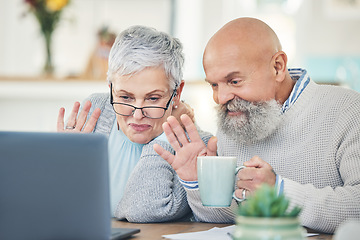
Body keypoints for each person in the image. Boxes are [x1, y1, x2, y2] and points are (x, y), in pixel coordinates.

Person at [154, 17, 360, 233]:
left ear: (278, 67)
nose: (221, 97)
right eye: (214, 84)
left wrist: (279, 193)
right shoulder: (235, 118)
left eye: (234, 81)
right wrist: (198, 185)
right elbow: (229, 217)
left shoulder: (349, 110)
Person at [57, 25, 212, 223]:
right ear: (110, 88)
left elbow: (141, 210)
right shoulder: (95, 113)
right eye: (125, 97)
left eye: (153, 98)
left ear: (177, 94)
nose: (138, 115)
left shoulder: (196, 148)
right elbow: (61, 206)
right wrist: (63, 167)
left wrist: (166, 136)